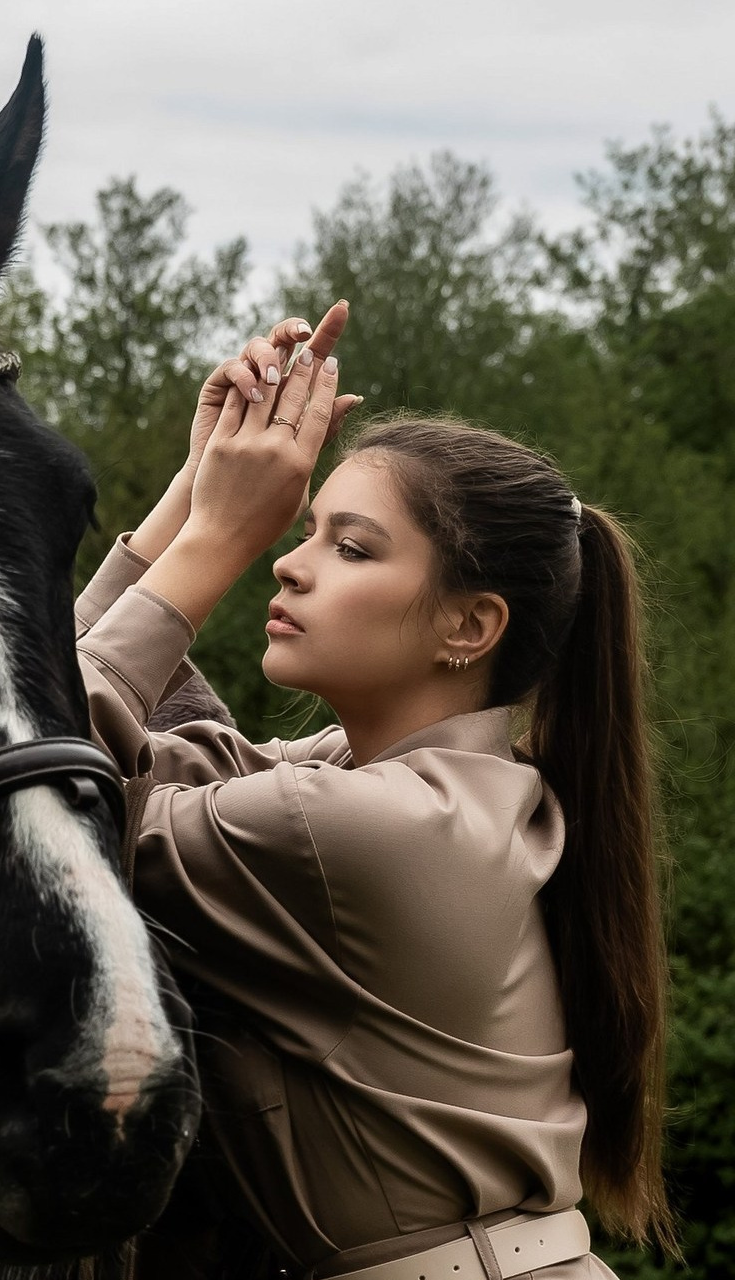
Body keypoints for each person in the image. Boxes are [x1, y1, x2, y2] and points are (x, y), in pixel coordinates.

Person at [74, 309, 674, 1279]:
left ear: (468, 625)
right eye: (300, 529)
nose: (285, 560)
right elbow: (100, 731)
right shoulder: (424, 792)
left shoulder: (351, 828)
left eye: (348, 547)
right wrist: (195, 497)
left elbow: (46, 780)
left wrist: (215, 535)